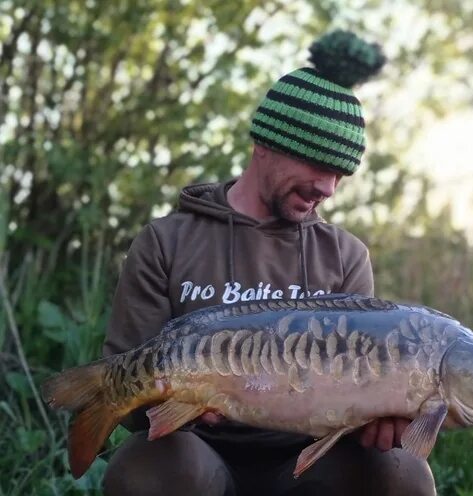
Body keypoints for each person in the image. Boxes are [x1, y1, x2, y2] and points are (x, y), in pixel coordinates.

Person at [102, 30, 436, 496]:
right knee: (150, 467)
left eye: (340, 173)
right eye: (317, 164)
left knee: (404, 473)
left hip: (305, 462)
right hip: (196, 452)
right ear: (266, 144)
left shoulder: (345, 256)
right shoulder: (166, 242)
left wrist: (382, 415)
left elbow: (363, 382)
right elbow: (126, 386)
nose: (328, 187)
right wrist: (177, 397)